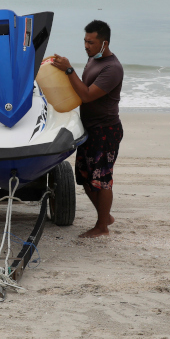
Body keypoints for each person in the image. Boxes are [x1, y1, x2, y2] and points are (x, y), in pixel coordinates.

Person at [50, 20, 124, 238]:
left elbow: (88, 95)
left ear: (104, 43)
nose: (86, 46)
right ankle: (105, 215)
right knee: (84, 175)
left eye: (91, 42)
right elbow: (79, 87)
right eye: (85, 41)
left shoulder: (113, 68)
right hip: (89, 127)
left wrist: (69, 69)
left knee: (101, 179)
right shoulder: (93, 59)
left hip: (105, 130)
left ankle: (102, 227)